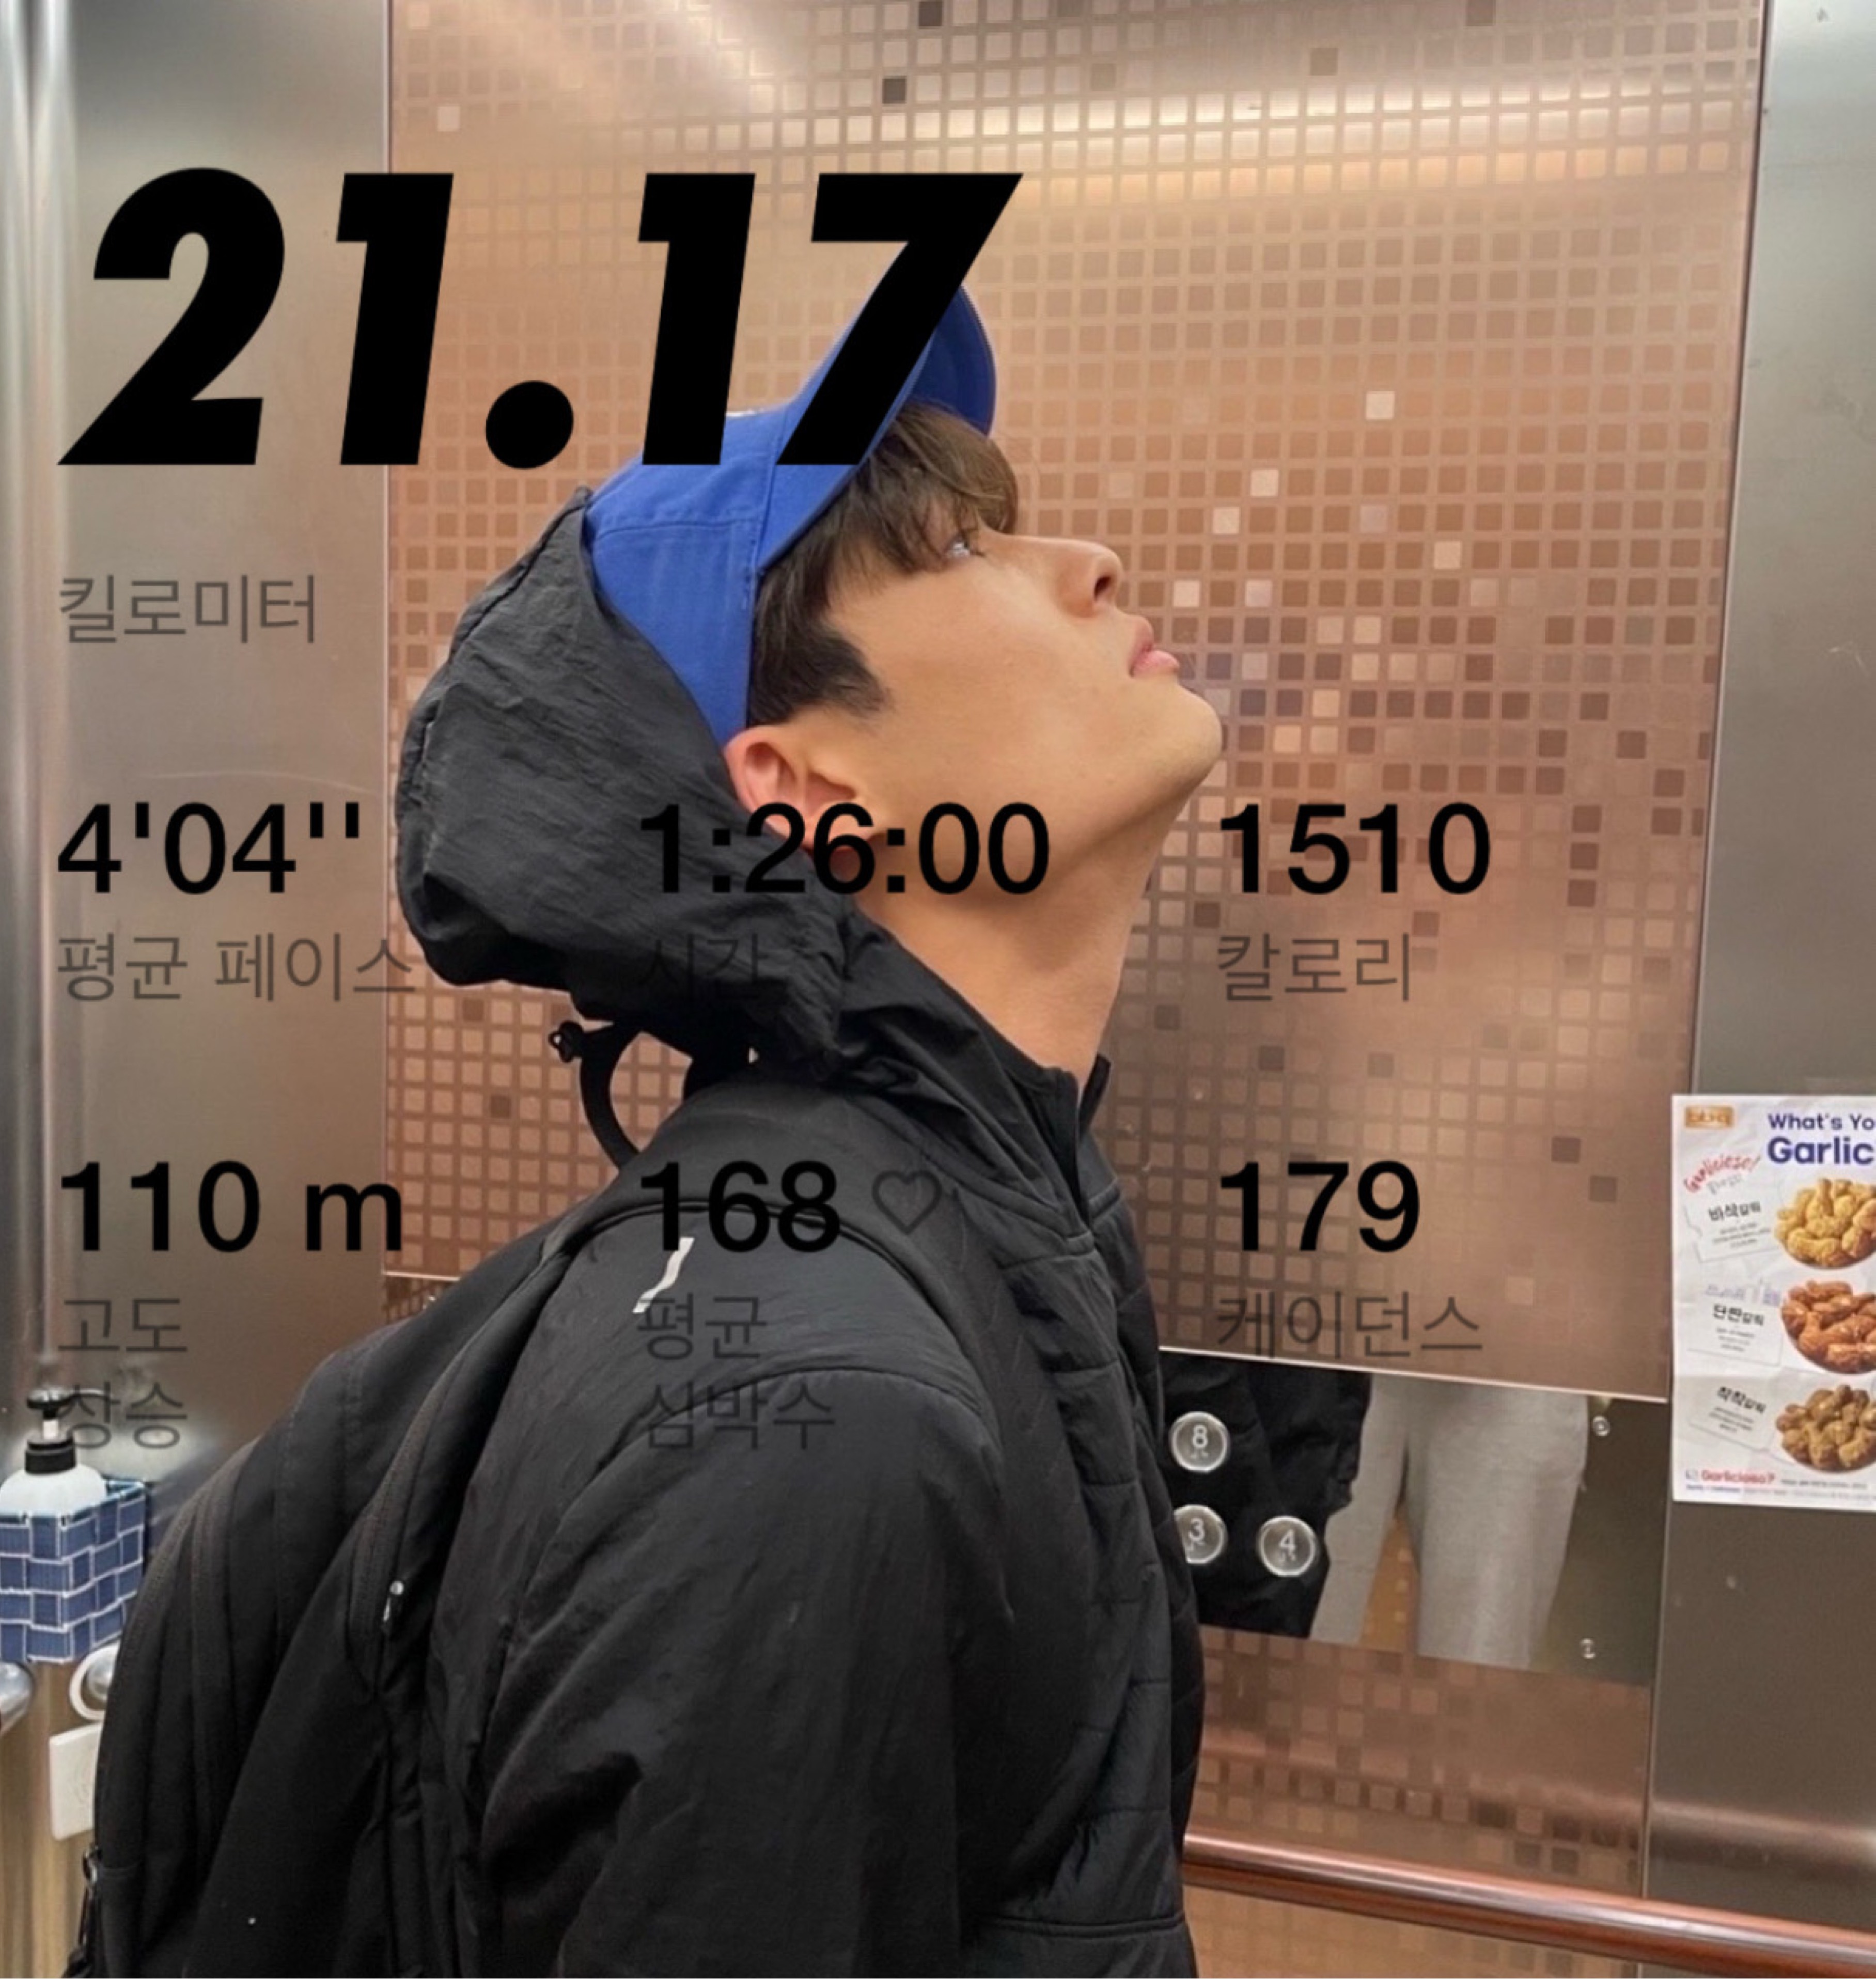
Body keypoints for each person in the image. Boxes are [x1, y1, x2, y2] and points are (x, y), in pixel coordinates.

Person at [395, 277, 1225, 1974]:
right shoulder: (815, 1404)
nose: (1087, 565)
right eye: (958, 550)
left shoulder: (980, 1218)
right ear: (807, 795)